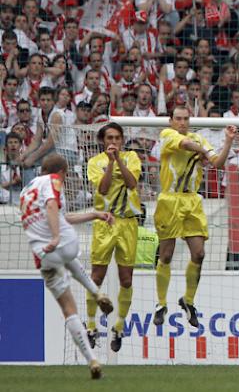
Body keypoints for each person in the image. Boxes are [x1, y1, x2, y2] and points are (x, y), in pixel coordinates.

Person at [19, 154, 114, 379]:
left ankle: (92, 359)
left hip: (43, 256)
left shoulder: (25, 192)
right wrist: (55, 236)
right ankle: (96, 292)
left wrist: (94, 214)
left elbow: (61, 216)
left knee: (69, 310)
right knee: (70, 255)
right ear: (61, 172)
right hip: (63, 242)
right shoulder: (52, 180)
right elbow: (53, 207)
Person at [153, 106, 238, 327]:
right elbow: (186, 145)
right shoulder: (167, 135)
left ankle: (188, 300)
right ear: (171, 121)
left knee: (199, 254)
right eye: (178, 118)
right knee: (167, 254)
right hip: (170, 200)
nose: (182, 122)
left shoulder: (198, 138)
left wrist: (227, 142)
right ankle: (161, 303)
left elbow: (217, 164)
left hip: (192, 201)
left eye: (186, 118)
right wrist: (205, 152)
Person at [85, 123, 141, 352]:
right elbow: (104, 189)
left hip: (127, 222)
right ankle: (90, 325)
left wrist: (118, 160)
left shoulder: (132, 157)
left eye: (118, 138)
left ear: (122, 140)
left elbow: (132, 183)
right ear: (102, 140)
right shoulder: (94, 162)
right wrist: (110, 163)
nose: (114, 142)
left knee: (126, 279)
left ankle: (119, 326)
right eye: (110, 138)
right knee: (96, 276)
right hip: (105, 223)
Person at [135, 204, 159, 269]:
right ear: (144, 218)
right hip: (150, 275)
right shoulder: (155, 237)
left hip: (127, 274)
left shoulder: (125, 236)